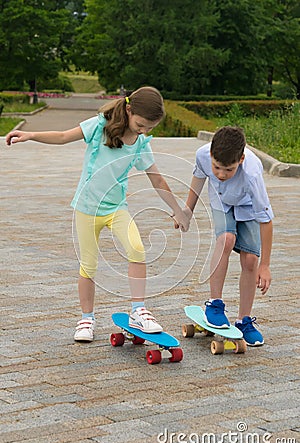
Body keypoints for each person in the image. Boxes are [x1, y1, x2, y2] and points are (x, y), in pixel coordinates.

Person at [6, 86, 189, 342]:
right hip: (87, 209)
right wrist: (31, 134)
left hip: (116, 209)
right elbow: (62, 136)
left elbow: (157, 180)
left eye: (150, 127)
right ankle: (86, 319)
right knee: (89, 265)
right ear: (128, 110)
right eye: (141, 125)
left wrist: (178, 210)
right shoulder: (100, 125)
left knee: (137, 249)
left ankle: (139, 310)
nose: (145, 131)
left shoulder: (140, 143)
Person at [182, 126, 273, 346]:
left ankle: (244, 321)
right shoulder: (203, 155)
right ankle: (214, 304)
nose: (221, 174)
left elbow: (266, 220)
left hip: (248, 206)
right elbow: (198, 179)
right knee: (226, 240)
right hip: (221, 203)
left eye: (229, 170)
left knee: (251, 259)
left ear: (241, 159)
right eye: (217, 168)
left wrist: (265, 265)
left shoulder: (252, 174)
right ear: (211, 155)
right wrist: (187, 212)